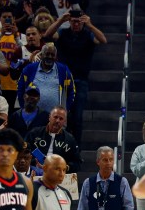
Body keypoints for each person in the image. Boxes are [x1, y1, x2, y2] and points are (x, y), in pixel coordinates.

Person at [43, 9, 107, 144]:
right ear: (70, 21)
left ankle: (75, 147)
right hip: (63, 81)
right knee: (61, 116)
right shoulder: (63, 33)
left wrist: (89, 25)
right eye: (73, 21)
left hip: (80, 80)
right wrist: (61, 20)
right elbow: (47, 35)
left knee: (77, 117)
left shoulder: (87, 34)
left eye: (78, 21)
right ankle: (59, 143)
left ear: (82, 21)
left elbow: (103, 40)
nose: (76, 24)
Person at [77, 146, 134, 210]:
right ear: (98, 162)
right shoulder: (88, 183)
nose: (108, 163)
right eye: (105, 160)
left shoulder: (122, 182)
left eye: (111, 160)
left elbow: (129, 209)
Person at [17, 43, 76, 115]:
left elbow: (71, 91)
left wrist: (65, 109)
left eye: (52, 55)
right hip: (33, 116)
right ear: (41, 55)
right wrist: (24, 108)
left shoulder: (64, 70)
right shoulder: (29, 69)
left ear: (56, 57)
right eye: (47, 54)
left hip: (55, 117)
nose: (50, 57)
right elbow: (20, 89)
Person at [25, 106, 82, 172]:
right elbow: (24, 152)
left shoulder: (70, 140)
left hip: (58, 175)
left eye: (61, 119)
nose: (57, 121)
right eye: (55, 117)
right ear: (49, 117)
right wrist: (35, 163)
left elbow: (77, 163)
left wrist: (64, 167)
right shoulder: (34, 133)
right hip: (34, 171)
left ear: (64, 121)